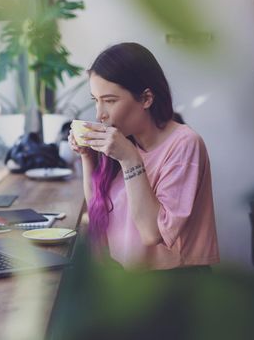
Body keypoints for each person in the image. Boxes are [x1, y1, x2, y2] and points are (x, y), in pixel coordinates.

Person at [68, 42, 219, 271]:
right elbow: (98, 209)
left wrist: (130, 160)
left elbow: (152, 233)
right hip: (131, 281)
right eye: (95, 100)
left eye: (110, 100)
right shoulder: (126, 141)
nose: (100, 114)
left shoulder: (185, 144)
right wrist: (87, 157)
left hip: (176, 285)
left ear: (146, 98)